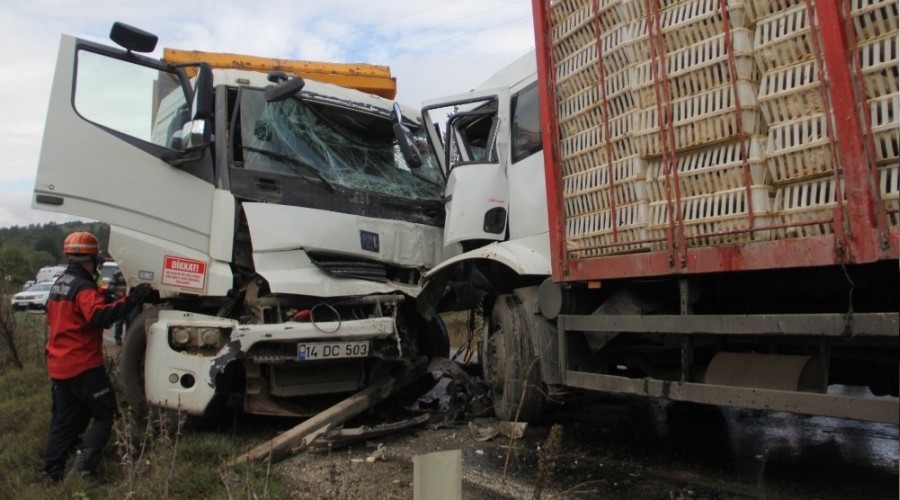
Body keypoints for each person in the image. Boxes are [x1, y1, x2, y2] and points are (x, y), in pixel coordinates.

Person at [41, 231, 152, 483]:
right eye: (97, 262)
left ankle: (51, 474)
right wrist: (133, 299)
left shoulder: (60, 283)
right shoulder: (83, 286)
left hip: (59, 366)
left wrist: (104, 298)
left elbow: (58, 317)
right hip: (83, 366)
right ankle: (84, 468)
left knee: (63, 422)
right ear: (90, 259)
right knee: (106, 413)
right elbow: (98, 317)